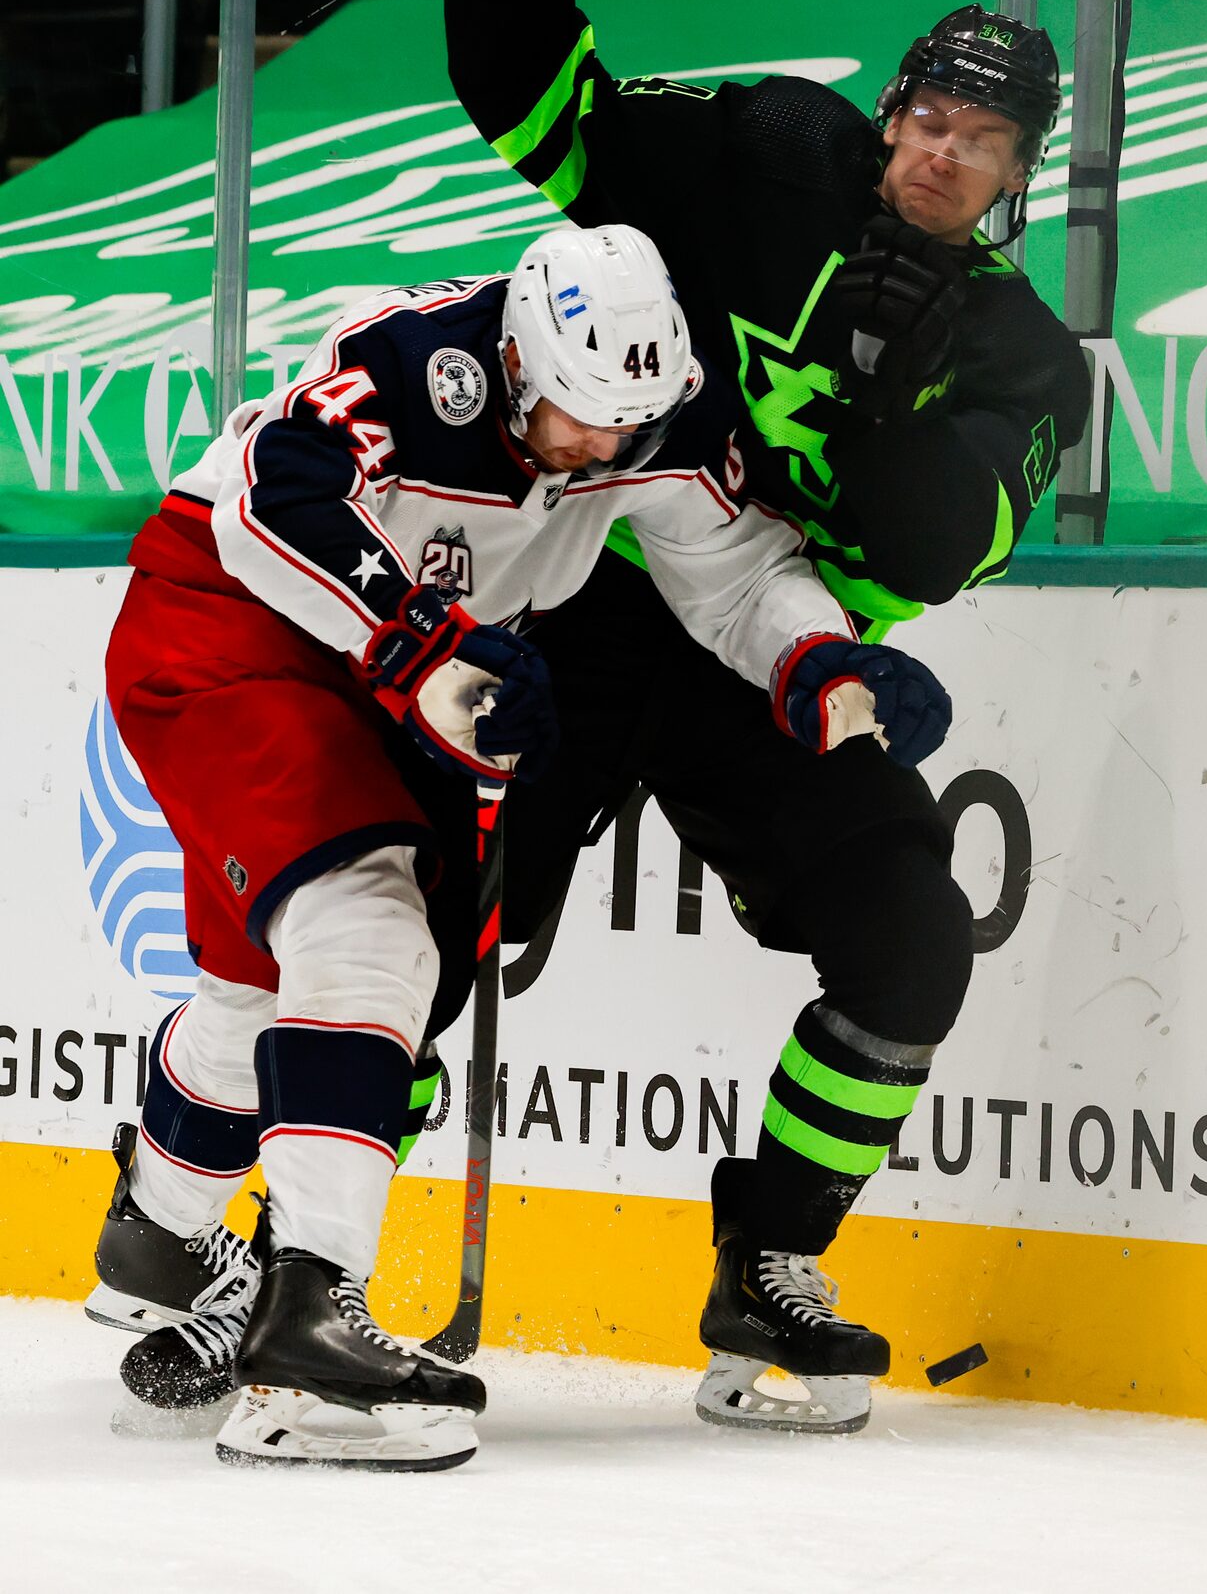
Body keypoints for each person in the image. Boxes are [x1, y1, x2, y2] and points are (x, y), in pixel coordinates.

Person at [430, 0, 1093, 1431]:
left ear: (1022, 177)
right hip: (594, 582)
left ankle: (771, 1260)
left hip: (770, 652)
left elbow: (930, 555)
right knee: (427, 904)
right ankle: (271, 1239)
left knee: (909, 935)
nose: (937, 150)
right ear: (887, 118)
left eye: (979, 141)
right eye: (925, 116)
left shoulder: (1019, 363)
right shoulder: (761, 155)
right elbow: (544, 116)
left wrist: (872, 404)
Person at [85, 222, 952, 1466]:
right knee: (367, 928)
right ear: (516, 357)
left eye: (626, 431)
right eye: (576, 417)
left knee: (268, 985)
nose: (601, 450)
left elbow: (733, 570)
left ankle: (158, 1234)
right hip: (237, 627)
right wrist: (421, 646)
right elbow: (281, 497)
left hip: (411, 662)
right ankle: (307, 1323)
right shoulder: (415, 360)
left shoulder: (657, 408)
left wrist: (821, 663)